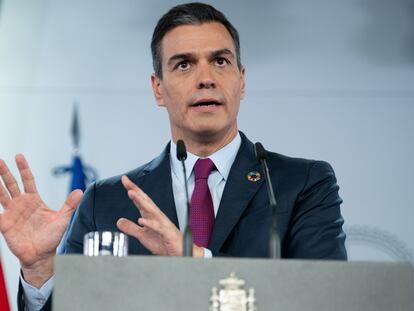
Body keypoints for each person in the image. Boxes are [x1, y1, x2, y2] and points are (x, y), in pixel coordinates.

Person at [0, 3, 347, 311]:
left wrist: (194, 260)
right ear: (157, 88)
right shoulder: (105, 201)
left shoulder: (300, 184)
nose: (206, 79)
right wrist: (40, 270)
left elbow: (325, 298)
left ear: (241, 81)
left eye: (220, 61)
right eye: (184, 65)